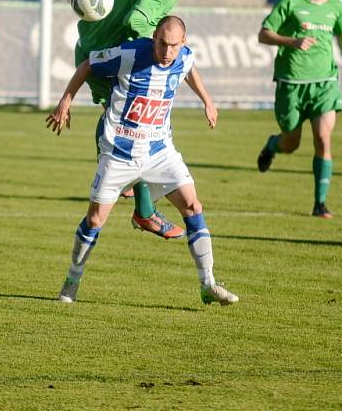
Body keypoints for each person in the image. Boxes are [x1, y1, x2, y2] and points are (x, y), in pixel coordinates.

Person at [46, 16, 238, 306]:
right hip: (118, 153)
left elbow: (190, 70)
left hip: (159, 151)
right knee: (95, 219)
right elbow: (88, 64)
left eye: (173, 45)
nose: (167, 51)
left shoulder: (183, 57)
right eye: (161, 43)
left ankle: (208, 283)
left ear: (183, 43)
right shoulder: (130, 54)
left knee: (193, 205)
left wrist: (207, 101)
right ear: (154, 38)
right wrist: (65, 101)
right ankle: (72, 279)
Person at [50, 0, 218, 239]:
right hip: (109, 54)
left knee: (125, 123)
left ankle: (132, 191)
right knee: (136, 129)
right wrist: (151, 51)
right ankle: (141, 207)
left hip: (88, 43)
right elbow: (137, 19)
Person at [256, 0, 342, 219]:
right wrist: (291, 41)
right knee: (291, 143)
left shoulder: (336, 5)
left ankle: (320, 203)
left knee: (323, 138)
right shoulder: (290, 3)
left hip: (325, 83)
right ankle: (273, 145)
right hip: (291, 85)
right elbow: (264, 34)